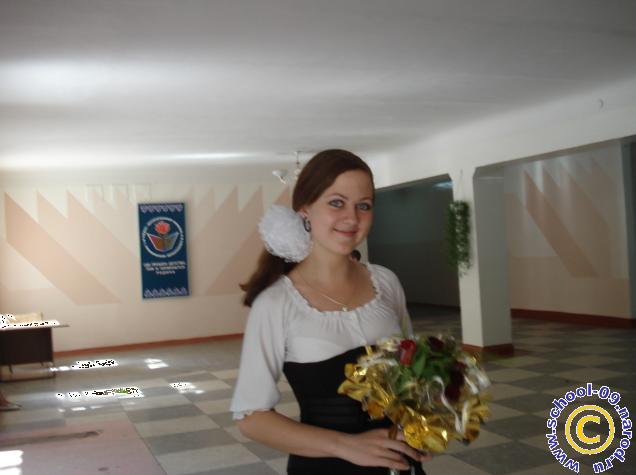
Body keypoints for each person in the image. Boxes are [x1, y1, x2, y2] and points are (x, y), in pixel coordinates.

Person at [231, 149, 429, 474]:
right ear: (305, 211)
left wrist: (427, 416)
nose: (352, 218)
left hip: (400, 463)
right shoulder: (276, 303)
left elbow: (413, 370)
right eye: (336, 203)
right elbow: (251, 418)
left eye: (364, 205)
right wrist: (346, 446)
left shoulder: (386, 282)